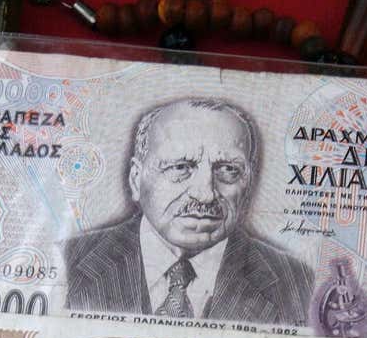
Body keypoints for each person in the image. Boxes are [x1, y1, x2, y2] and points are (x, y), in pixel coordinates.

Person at [62, 98, 313, 325]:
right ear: (136, 179)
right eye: (180, 167)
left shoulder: (301, 284)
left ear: (247, 183)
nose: (205, 194)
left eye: (227, 170)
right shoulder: (65, 262)